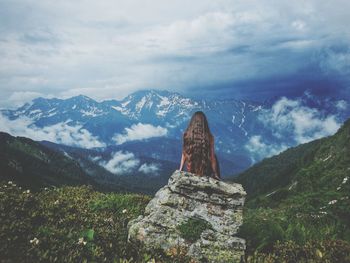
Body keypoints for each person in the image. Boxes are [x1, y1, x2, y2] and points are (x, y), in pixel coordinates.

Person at [179, 111, 221, 180]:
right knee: (214, 156)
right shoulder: (209, 137)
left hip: (191, 169)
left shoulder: (186, 135)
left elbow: (184, 154)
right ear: (204, 123)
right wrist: (216, 173)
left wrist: (180, 169)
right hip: (205, 170)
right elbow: (212, 158)